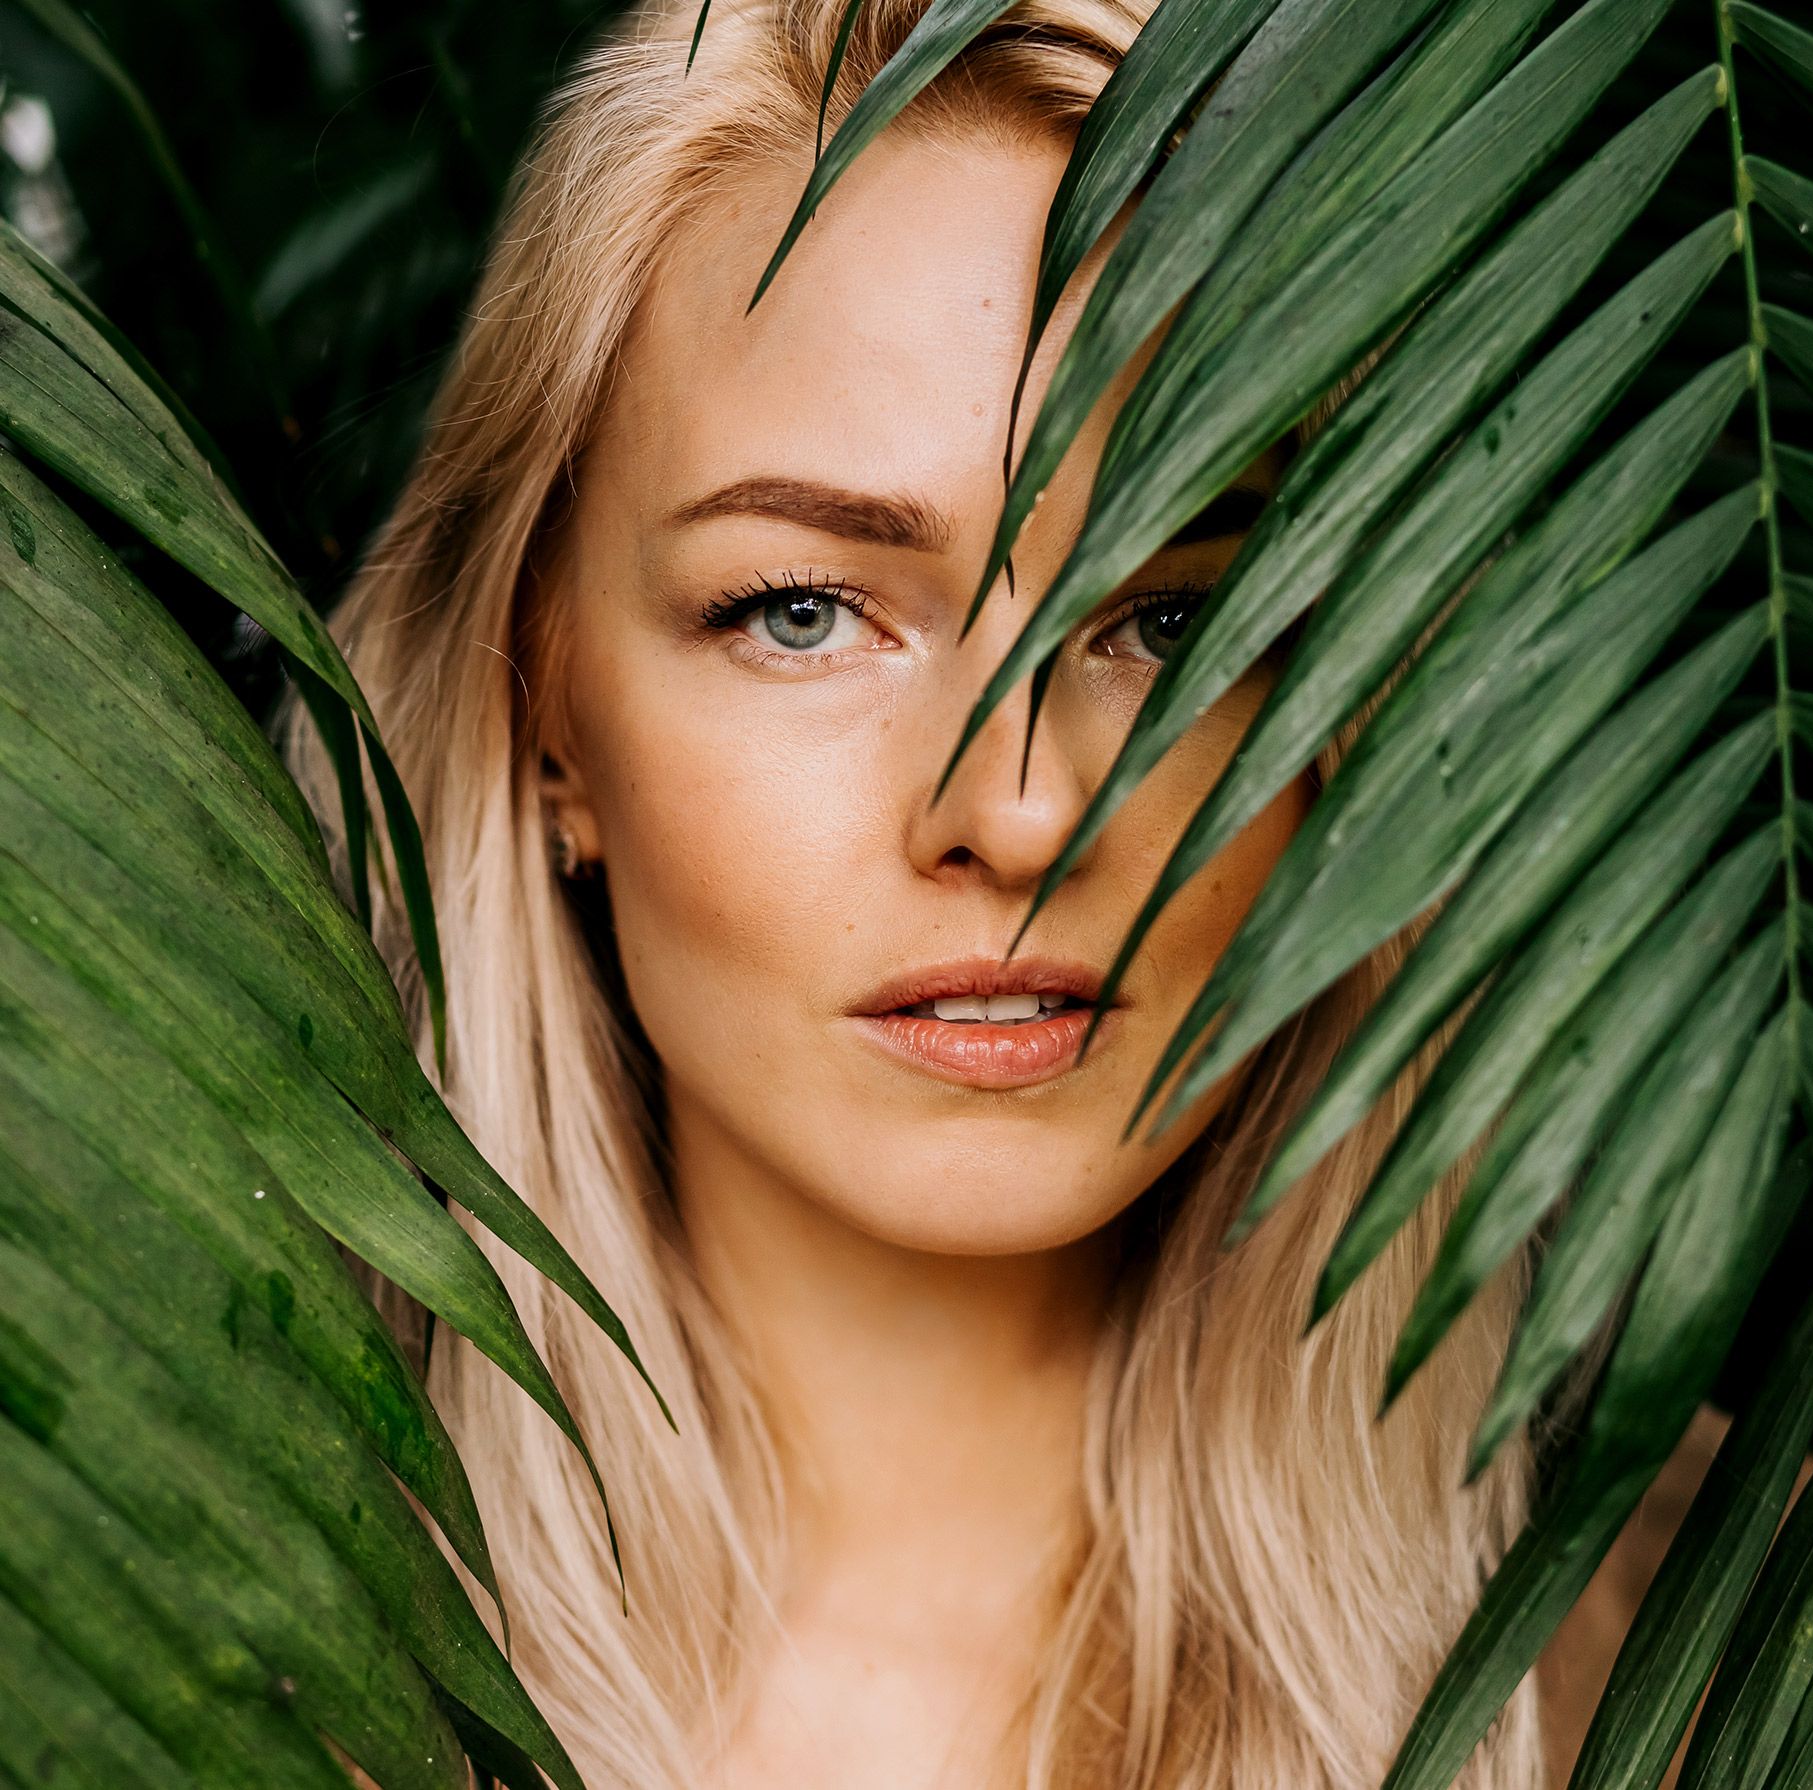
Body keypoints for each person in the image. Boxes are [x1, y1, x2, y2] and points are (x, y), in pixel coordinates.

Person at [289, 1, 1664, 1783]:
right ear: (543, 710)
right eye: (802, 611)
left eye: (1170, 617)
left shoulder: (1753, 1649)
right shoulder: (188, 1650)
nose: (1016, 812)